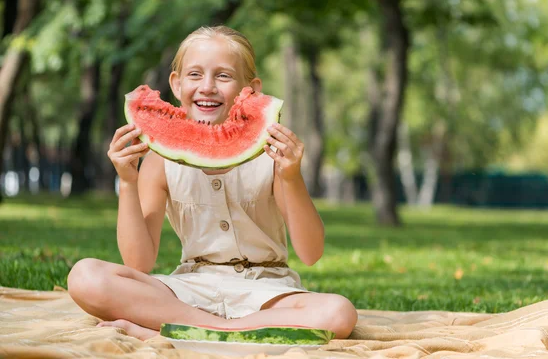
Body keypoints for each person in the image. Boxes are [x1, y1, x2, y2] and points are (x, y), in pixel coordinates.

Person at [67, 26, 358, 341]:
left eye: (223, 76)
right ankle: (224, 332)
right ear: (176, 85)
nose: (207, 87)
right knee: (85, 277)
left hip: (267, 290)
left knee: (339, 313)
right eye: (195, 75)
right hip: (189, 287)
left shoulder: (272, 156)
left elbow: (311, 252)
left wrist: (291, 176)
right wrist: (126, 181)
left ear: (252, 90)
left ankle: (177, 331)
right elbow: (139, 263)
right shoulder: (160, 160)